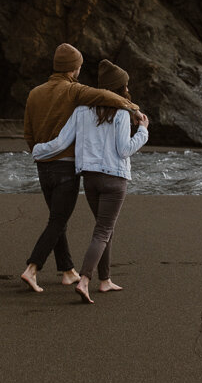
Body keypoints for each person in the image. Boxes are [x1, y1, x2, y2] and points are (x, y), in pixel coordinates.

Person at [21, 44, 138, 293]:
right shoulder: (74, 91)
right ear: (74, 68)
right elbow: (106, 96)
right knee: (58, 220)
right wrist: (132, 107)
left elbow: (28, 133)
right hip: (65, 167)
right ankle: (32, 267)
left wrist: (38, 152)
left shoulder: (34, 93)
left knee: (57, 219)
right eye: (79, 66)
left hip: (43, 166)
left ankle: (67, 271)